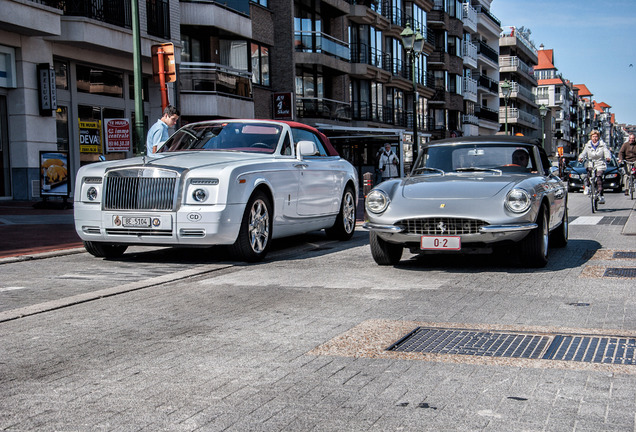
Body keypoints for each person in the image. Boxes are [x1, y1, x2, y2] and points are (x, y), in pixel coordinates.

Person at [578, 130, 611, 204]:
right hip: (591, 162)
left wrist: (608, 158)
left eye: (596, 136)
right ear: (591, 137)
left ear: (598, 137)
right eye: (593, 136)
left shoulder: (602, 145)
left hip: (600, 163)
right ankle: (587, 187)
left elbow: (606, 152)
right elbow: (583, 153)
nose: (595, 138)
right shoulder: (588, 145)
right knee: (588, 172)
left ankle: (601, 195)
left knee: (599, 177)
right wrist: (580, 158)